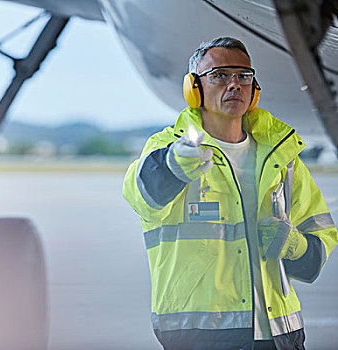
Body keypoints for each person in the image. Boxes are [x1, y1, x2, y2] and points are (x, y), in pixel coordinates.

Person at [122, 37, 337, 350]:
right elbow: (141, 196)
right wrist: (173, 166)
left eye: (243, 76)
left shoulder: (281, 156)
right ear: (192, 89)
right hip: (201, 335)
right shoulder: (169, 148)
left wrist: (294, 245)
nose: (234, 84)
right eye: (220, 75)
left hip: (280, 335)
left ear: (254, 89)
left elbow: (318, 247)